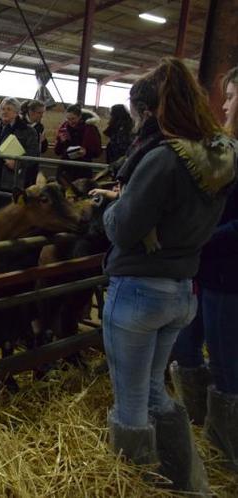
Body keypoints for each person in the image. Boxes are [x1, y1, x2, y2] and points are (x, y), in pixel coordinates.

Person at [99, 58, 235, 494]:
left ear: (153, 111)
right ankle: (190, 485)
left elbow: (124, 228)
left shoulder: (163, 158)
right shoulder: (216, 156)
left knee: (131, 405)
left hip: (139, 292)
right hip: (181, 290)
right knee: (156, 392)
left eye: (139, 113)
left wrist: (111, 206)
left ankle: (136, 486)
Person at [169, 65, 238, 473]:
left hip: (228, 277)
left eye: (231, 97)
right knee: (186, 347)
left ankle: (227, 450)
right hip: (201, 269)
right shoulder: (225, 148)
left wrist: (202, 234)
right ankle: (199, 426)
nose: (224, 105)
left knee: (228, 362)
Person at [0, 97, 39, 204]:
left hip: (10, 180)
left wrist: (19, 163)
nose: (5, 112)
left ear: (16, 113)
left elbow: (33, 154)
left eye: (9, 109)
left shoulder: (27, 131)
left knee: (6, 210)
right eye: (3, 109)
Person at [54, 103, 102, 180]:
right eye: (68, 119)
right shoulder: (64, 128)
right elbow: (57, 151)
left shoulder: (90, 129)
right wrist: (61, 142)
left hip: (83, 168)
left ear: (80, 116)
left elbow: (97, 151)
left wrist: (86, 152)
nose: (70, 122)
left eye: (73, 119)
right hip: (66, 167)